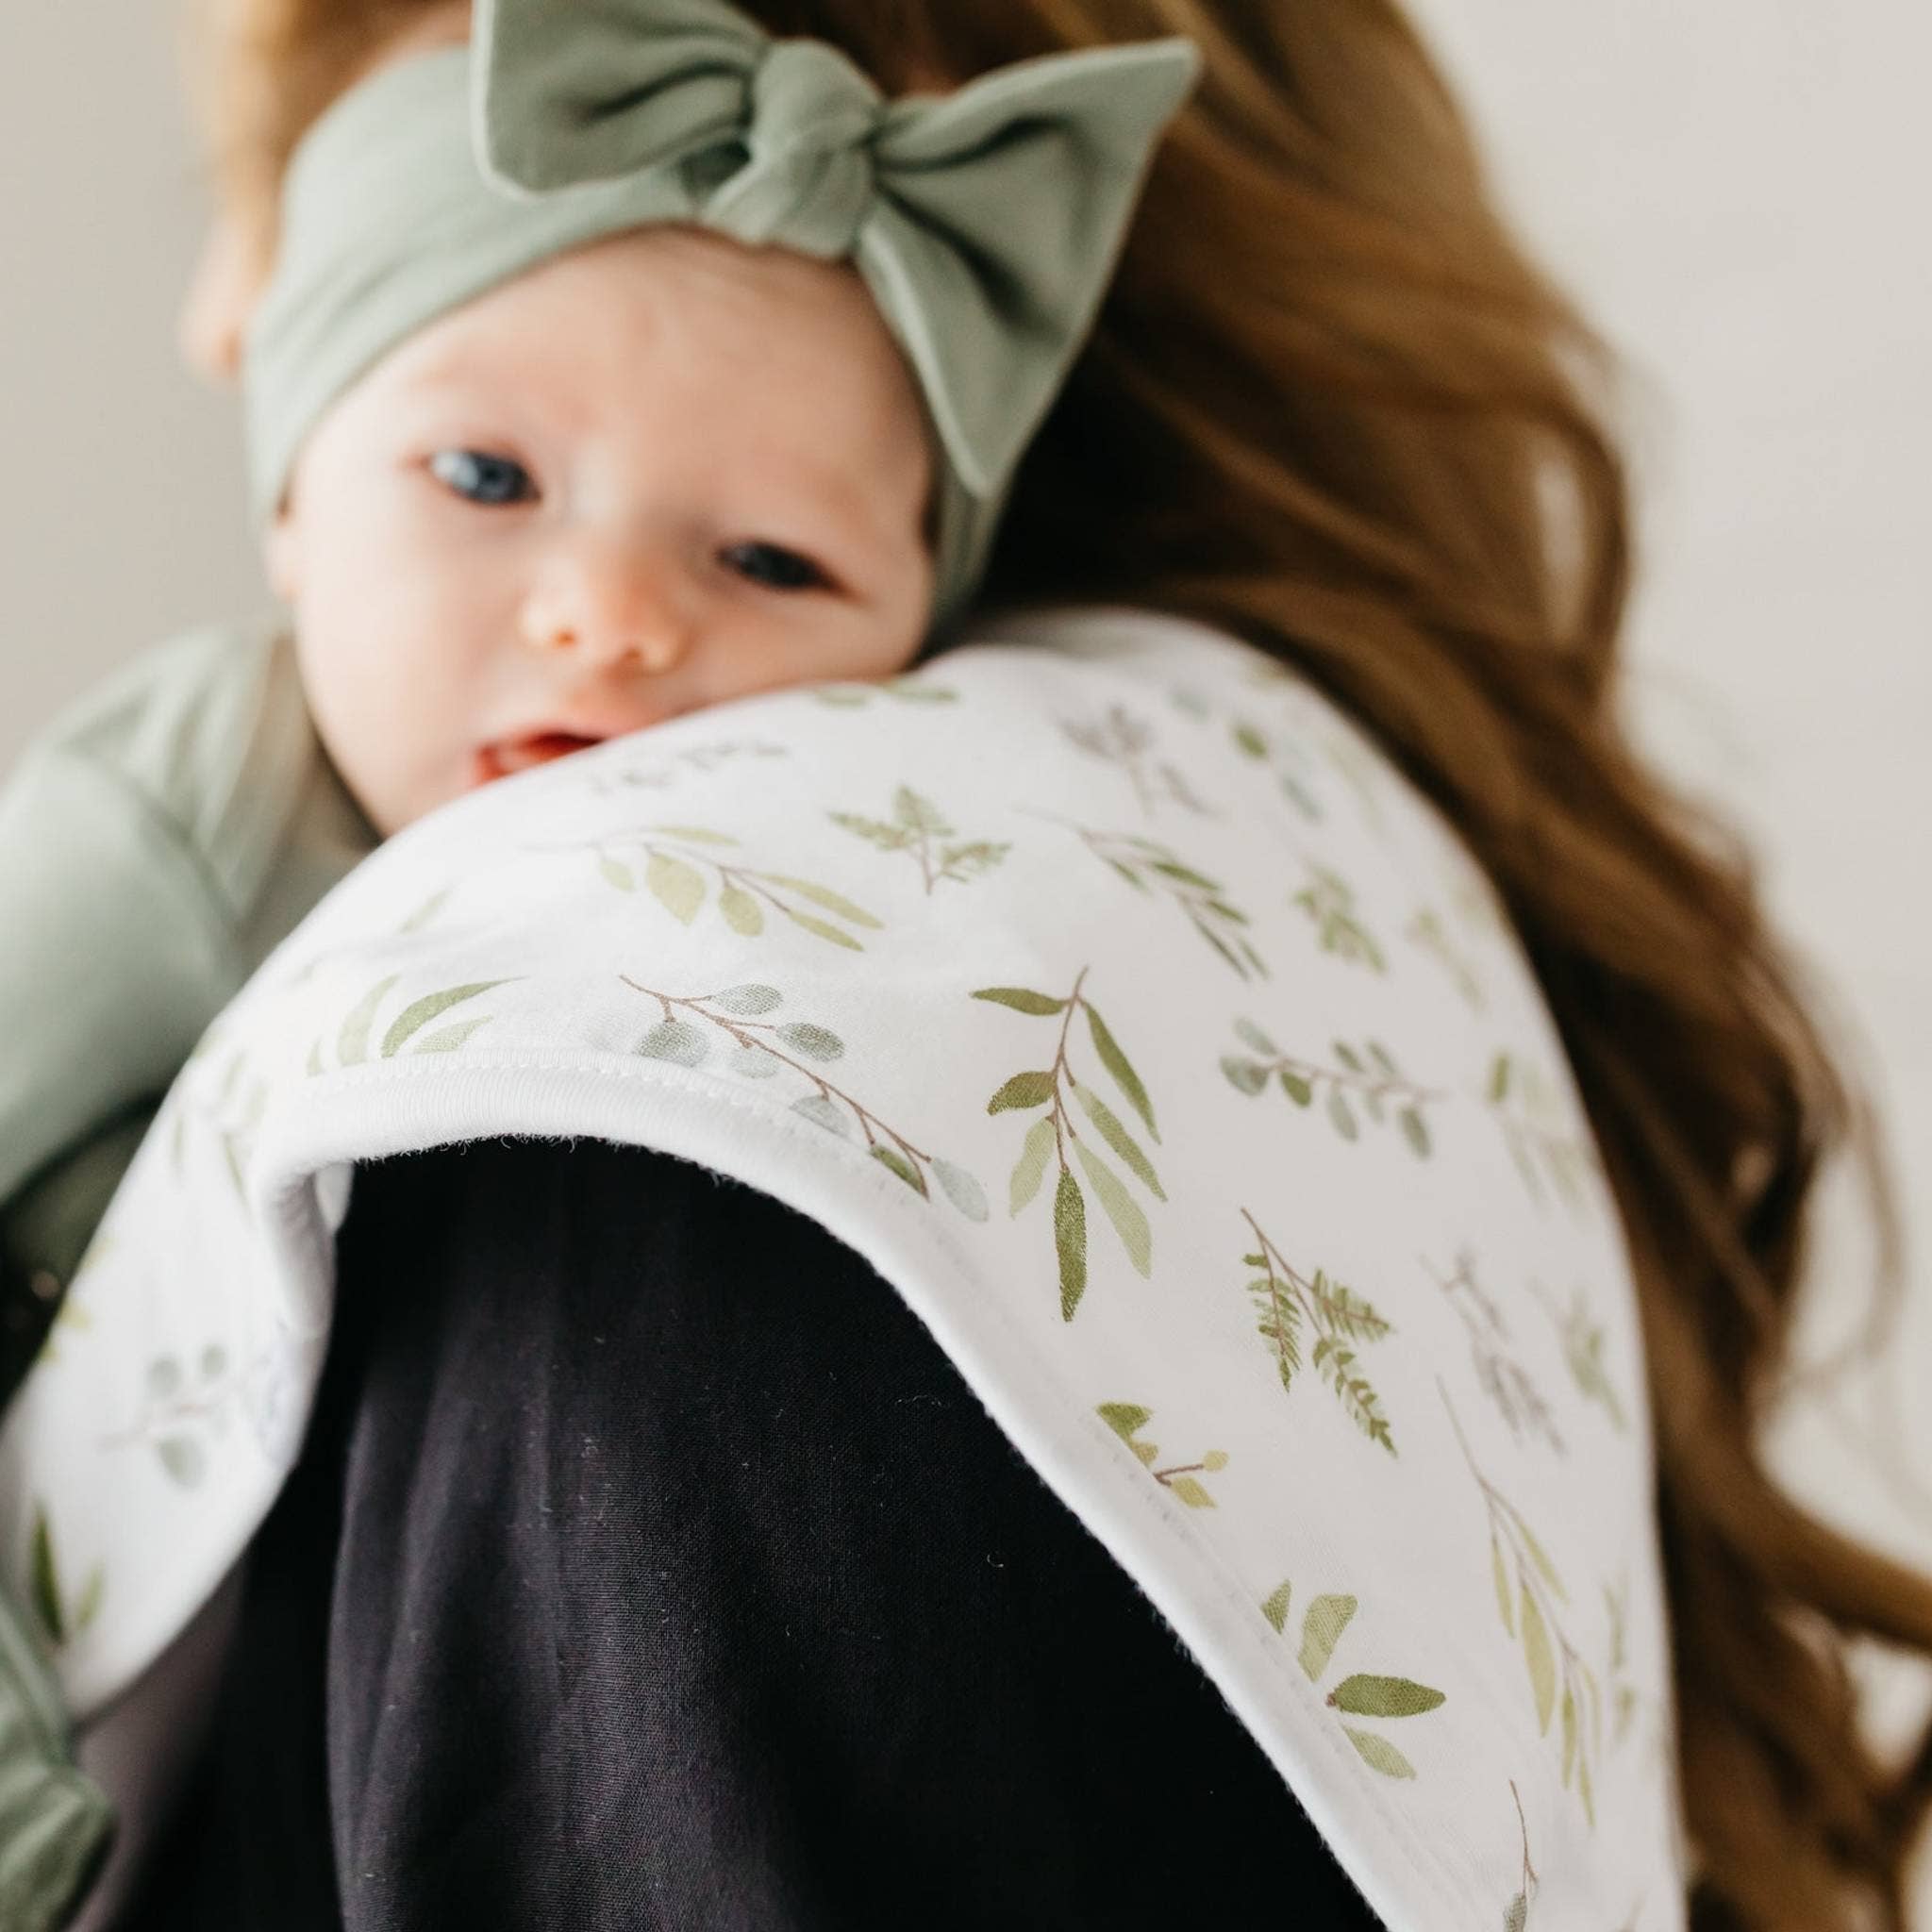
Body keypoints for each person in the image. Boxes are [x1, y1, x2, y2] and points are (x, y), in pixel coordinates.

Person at [15, 0, 1932, 1927]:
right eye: (486, 475)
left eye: (770, 560)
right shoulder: (184, 822)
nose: (609, 618)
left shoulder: (670, 1052)